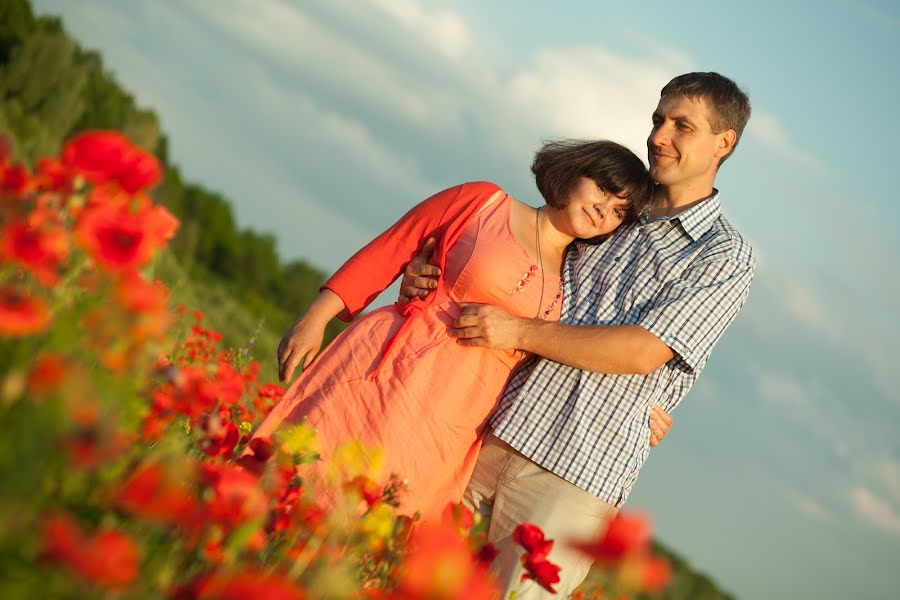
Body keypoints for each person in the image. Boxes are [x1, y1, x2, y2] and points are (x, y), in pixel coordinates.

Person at [400, 72, 755, 597]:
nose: (659, 136)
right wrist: (431, 275)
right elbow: (519, 259)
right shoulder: (615, 203)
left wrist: (518, 330)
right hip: (488, 429)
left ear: (723, 143)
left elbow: (641, 351)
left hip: (575, 472)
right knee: (401, 576)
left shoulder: (724, 255)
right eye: (659, 119)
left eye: (683, 126)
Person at [244, 140, 670, 519]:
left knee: (375, 525)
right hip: (389, 369)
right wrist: (315, 317)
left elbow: (587, 348)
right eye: (602, 189)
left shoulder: (582, 277)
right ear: (575, 170)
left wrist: (640, 405)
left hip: (456, 417)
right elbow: (394, 246)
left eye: (618, 211)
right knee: (302, 481)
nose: (603, 210)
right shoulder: (484, 203)